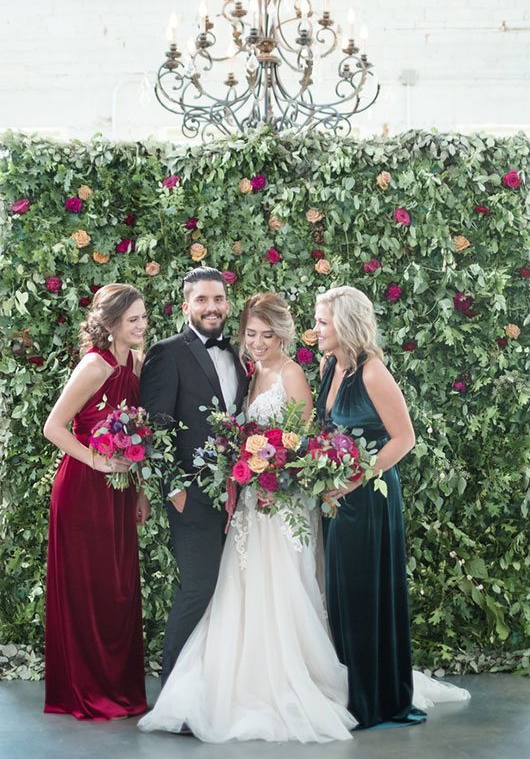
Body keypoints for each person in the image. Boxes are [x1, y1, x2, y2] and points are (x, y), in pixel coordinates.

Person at [138, 292, 357, 742]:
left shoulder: (292, 374)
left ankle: (280, 679)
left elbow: (301, 444)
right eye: (251, 334)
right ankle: (228, 679)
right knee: (237, 590)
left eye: (266, 335)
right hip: (246, 504)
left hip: (278, 505)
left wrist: (270, 467)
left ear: (282, 334)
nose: (257, 342)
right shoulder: (252, 373)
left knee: (279, 587)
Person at [314, 285, 470, 728]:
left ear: (344, 324)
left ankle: (376, 700)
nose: (316, 330)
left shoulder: (372, 372)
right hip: (337, 500)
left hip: (370, 499)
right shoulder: (330, 366)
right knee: (341, 597)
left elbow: (405, 439)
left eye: (322, 322)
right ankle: (354, 689)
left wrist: (353, 478)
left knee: (365, 594)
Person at [43, 283, 150, 720]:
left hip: (120, 494)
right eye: (134, 320)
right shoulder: (94, 365)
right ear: (110, 325)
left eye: (144, 317)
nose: (142, 325)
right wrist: (98, 462)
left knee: (119, 590)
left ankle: (119, 689)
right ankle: (86, 691)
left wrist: (140, 488)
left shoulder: (136, 361)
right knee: (90, 590)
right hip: (82, 491)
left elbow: (140, 432)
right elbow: (54, 426)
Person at [139, 267, 248, 686]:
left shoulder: (238, 353)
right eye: (201, 300)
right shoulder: (168, 352)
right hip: (192, 497)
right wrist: (173, 488)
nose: (212, 307)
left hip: (235, 492)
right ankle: (172, 690)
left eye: (218, 299)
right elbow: (155, 426)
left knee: (228, 593)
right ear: (185, 306)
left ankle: (215, 686)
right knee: (198, 589)